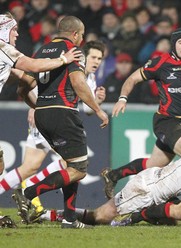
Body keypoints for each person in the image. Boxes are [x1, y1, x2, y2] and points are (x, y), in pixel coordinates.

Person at [12, 15, 109, 229]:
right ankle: (28, 193)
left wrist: (38, 107)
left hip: (42, 114)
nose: (82, 40)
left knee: (70, 166)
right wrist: (98, 110)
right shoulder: (74, 52)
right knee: (80, 169)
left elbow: (22, 87)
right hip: (63, 112)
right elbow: (78, 82)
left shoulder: (41, 51)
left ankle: (69, 219)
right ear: (75, 34)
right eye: (81, 36)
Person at [101, 27, 181, 199]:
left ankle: (113, 176)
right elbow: (132, 78)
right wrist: (123, 98)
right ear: (173, 45)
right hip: (166, 121)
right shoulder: (160, 63)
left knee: (152, 165)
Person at [41, 140, 181, 227]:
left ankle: (141, 217)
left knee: (170, 223)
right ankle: (48, 215)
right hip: (146, 189)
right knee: (98, 217)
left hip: (160, 190)